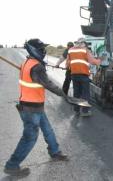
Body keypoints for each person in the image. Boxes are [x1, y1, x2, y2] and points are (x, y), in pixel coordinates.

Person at [4, 39, 70, 177]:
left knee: (47, 129)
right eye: (41, 49)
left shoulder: (27, 63)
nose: (44, 51)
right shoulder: (37, 67)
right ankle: (12, 165)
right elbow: (49, 84)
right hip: (31, 109)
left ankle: (55, 151)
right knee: (29, 138)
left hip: (33, 106)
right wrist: (65, 95)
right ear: (34, 50)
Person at [66, 38, 101, 117]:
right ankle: (85, 111)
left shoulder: (70, 50)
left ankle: (76, 110)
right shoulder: (85, 50)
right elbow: (92, 61)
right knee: (85, 93)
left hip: (74, 75)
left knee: (76, 93)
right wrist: (100, 60)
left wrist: (70, 67)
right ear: (82, 43)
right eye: (85, 43)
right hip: (83, 75)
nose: (85, 45)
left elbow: (67, 63)